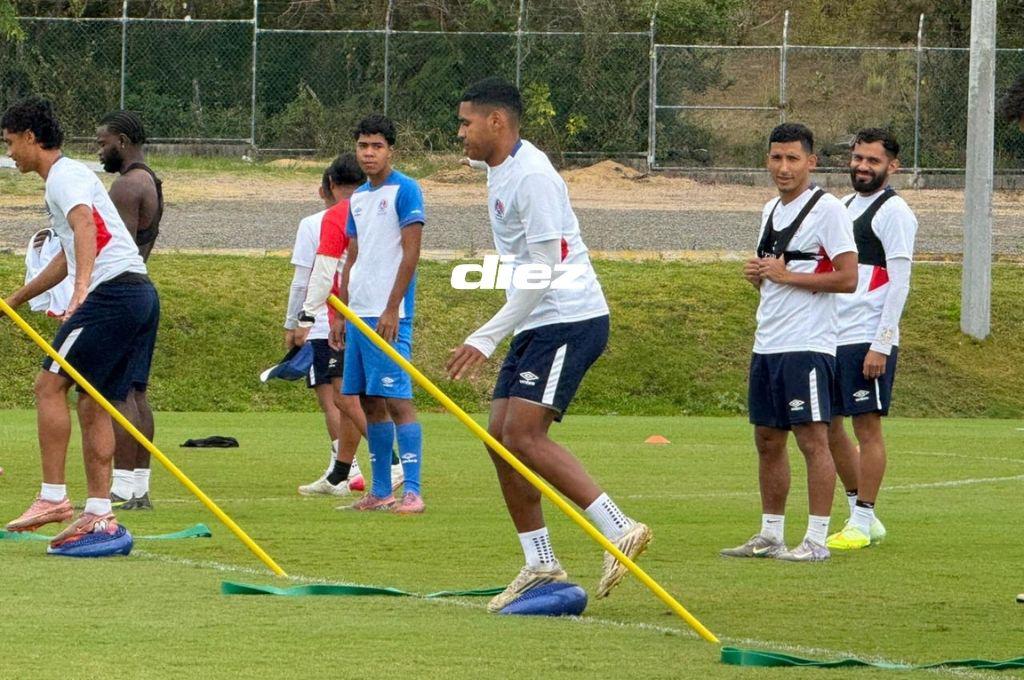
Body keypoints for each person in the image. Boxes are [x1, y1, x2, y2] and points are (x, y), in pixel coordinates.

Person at [449, 77, 651, 611]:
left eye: (466, 122)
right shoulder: (498, 166)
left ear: (497, 122)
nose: (460, 133)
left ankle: (620, 527)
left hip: (568, 316)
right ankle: (540, 563)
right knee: (500, 439)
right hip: (536, 322)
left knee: (523, 434)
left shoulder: (533, 177)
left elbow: (542, 273)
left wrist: (484, 337)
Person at [2, 97, 159, 550]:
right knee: (94, 403)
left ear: (32, 138)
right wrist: (16, 298)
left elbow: (85, 226)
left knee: (48, 386)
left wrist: (82, 290)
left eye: (11, 143)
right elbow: (66, 254)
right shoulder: (71, 177)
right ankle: (99, 514)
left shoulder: (64, 177)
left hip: (112, 294)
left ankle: (52, 497)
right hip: (137, 294)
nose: (9, 153)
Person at [721, 122, 857, 563]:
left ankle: (817, 539)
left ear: (811, 162)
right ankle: (770, 534)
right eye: (776, 158)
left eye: (793, 158)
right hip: (769, 343)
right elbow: (777, 279)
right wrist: (761, 279)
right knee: (766, 439)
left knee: (813, 439)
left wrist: (786, 276)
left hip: (809, 344)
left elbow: (848, 278)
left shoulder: (829, 210)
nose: (783, 167)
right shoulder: (768, 211)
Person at [289, 155, 405, 497]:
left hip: (333, 319)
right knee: (353, 397)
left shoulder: (320, 221)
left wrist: (300, 318)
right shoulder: (375, 214)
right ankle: (341, 471)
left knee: (344, 398)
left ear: (329, 186)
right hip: (364, 314)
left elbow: (309, 276)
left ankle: (393, 461)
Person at [825, 128, 917, 550]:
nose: (863, 166)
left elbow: (899, 282)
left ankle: (861, 521)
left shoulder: (895, 212)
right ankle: (864, 516)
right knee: (827, 428)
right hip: (834, 334)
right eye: (858, 158)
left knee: (867, 429)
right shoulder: (842, 205)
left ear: (892, 166)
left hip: (868, 335)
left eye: (873, 161)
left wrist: (883, 342)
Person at [337, 114, 425, 514]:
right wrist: (340, 310)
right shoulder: (357, 198)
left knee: (397, 399)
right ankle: (380, 490)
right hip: (357, 315)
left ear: (391, 150)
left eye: (377, 146)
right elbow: (352, 257)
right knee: (368, 401)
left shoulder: (406, 190)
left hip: (389, 314)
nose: (369, 153)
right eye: (363, 146)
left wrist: (392, 307)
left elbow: (411, 253)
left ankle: (413, 491)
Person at [95, 110, 163, 510]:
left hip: (121, 292)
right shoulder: (151, 180)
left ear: (121, 141)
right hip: (144, 291)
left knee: (119, 390)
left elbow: (112, 251)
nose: (99, 150)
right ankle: (139, 487)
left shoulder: (125, 187)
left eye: (102, 143)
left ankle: (122, 483)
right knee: (136, 392)